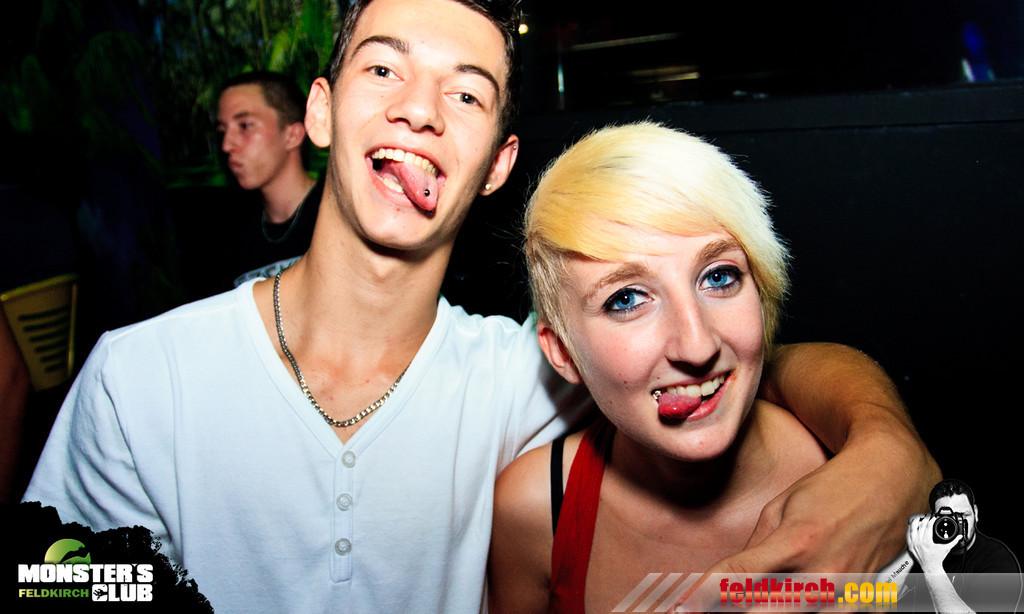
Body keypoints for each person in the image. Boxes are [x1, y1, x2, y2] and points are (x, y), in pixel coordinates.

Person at [24, 1, 937, 612]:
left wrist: (889, 449)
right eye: (385, 70)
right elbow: (43, 579)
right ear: (324, 113)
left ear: (497, 164)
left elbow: (738, 361)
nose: (421, 111)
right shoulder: (141, 379)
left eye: (466, 93)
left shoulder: (525, 378)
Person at [490, 122, 866, 612]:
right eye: (626, 299)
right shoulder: (535, 510)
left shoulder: (853, 471)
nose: (697, 344)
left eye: (719, 276)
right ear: (562, 351)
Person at [215, 71, 323, 286]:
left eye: (244, 126)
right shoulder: (230, 238)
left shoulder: (340, 215)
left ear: (292, 135)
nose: (226, 145)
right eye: (222, 131)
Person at [882, 478, 1022, 612]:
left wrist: (932, 568)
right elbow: (880, 595)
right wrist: (914, 549)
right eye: (947, 519)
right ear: (934, 520)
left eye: (963, 515)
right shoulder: (925, 552)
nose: (955, 524)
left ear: (976, 513)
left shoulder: (998, 560)